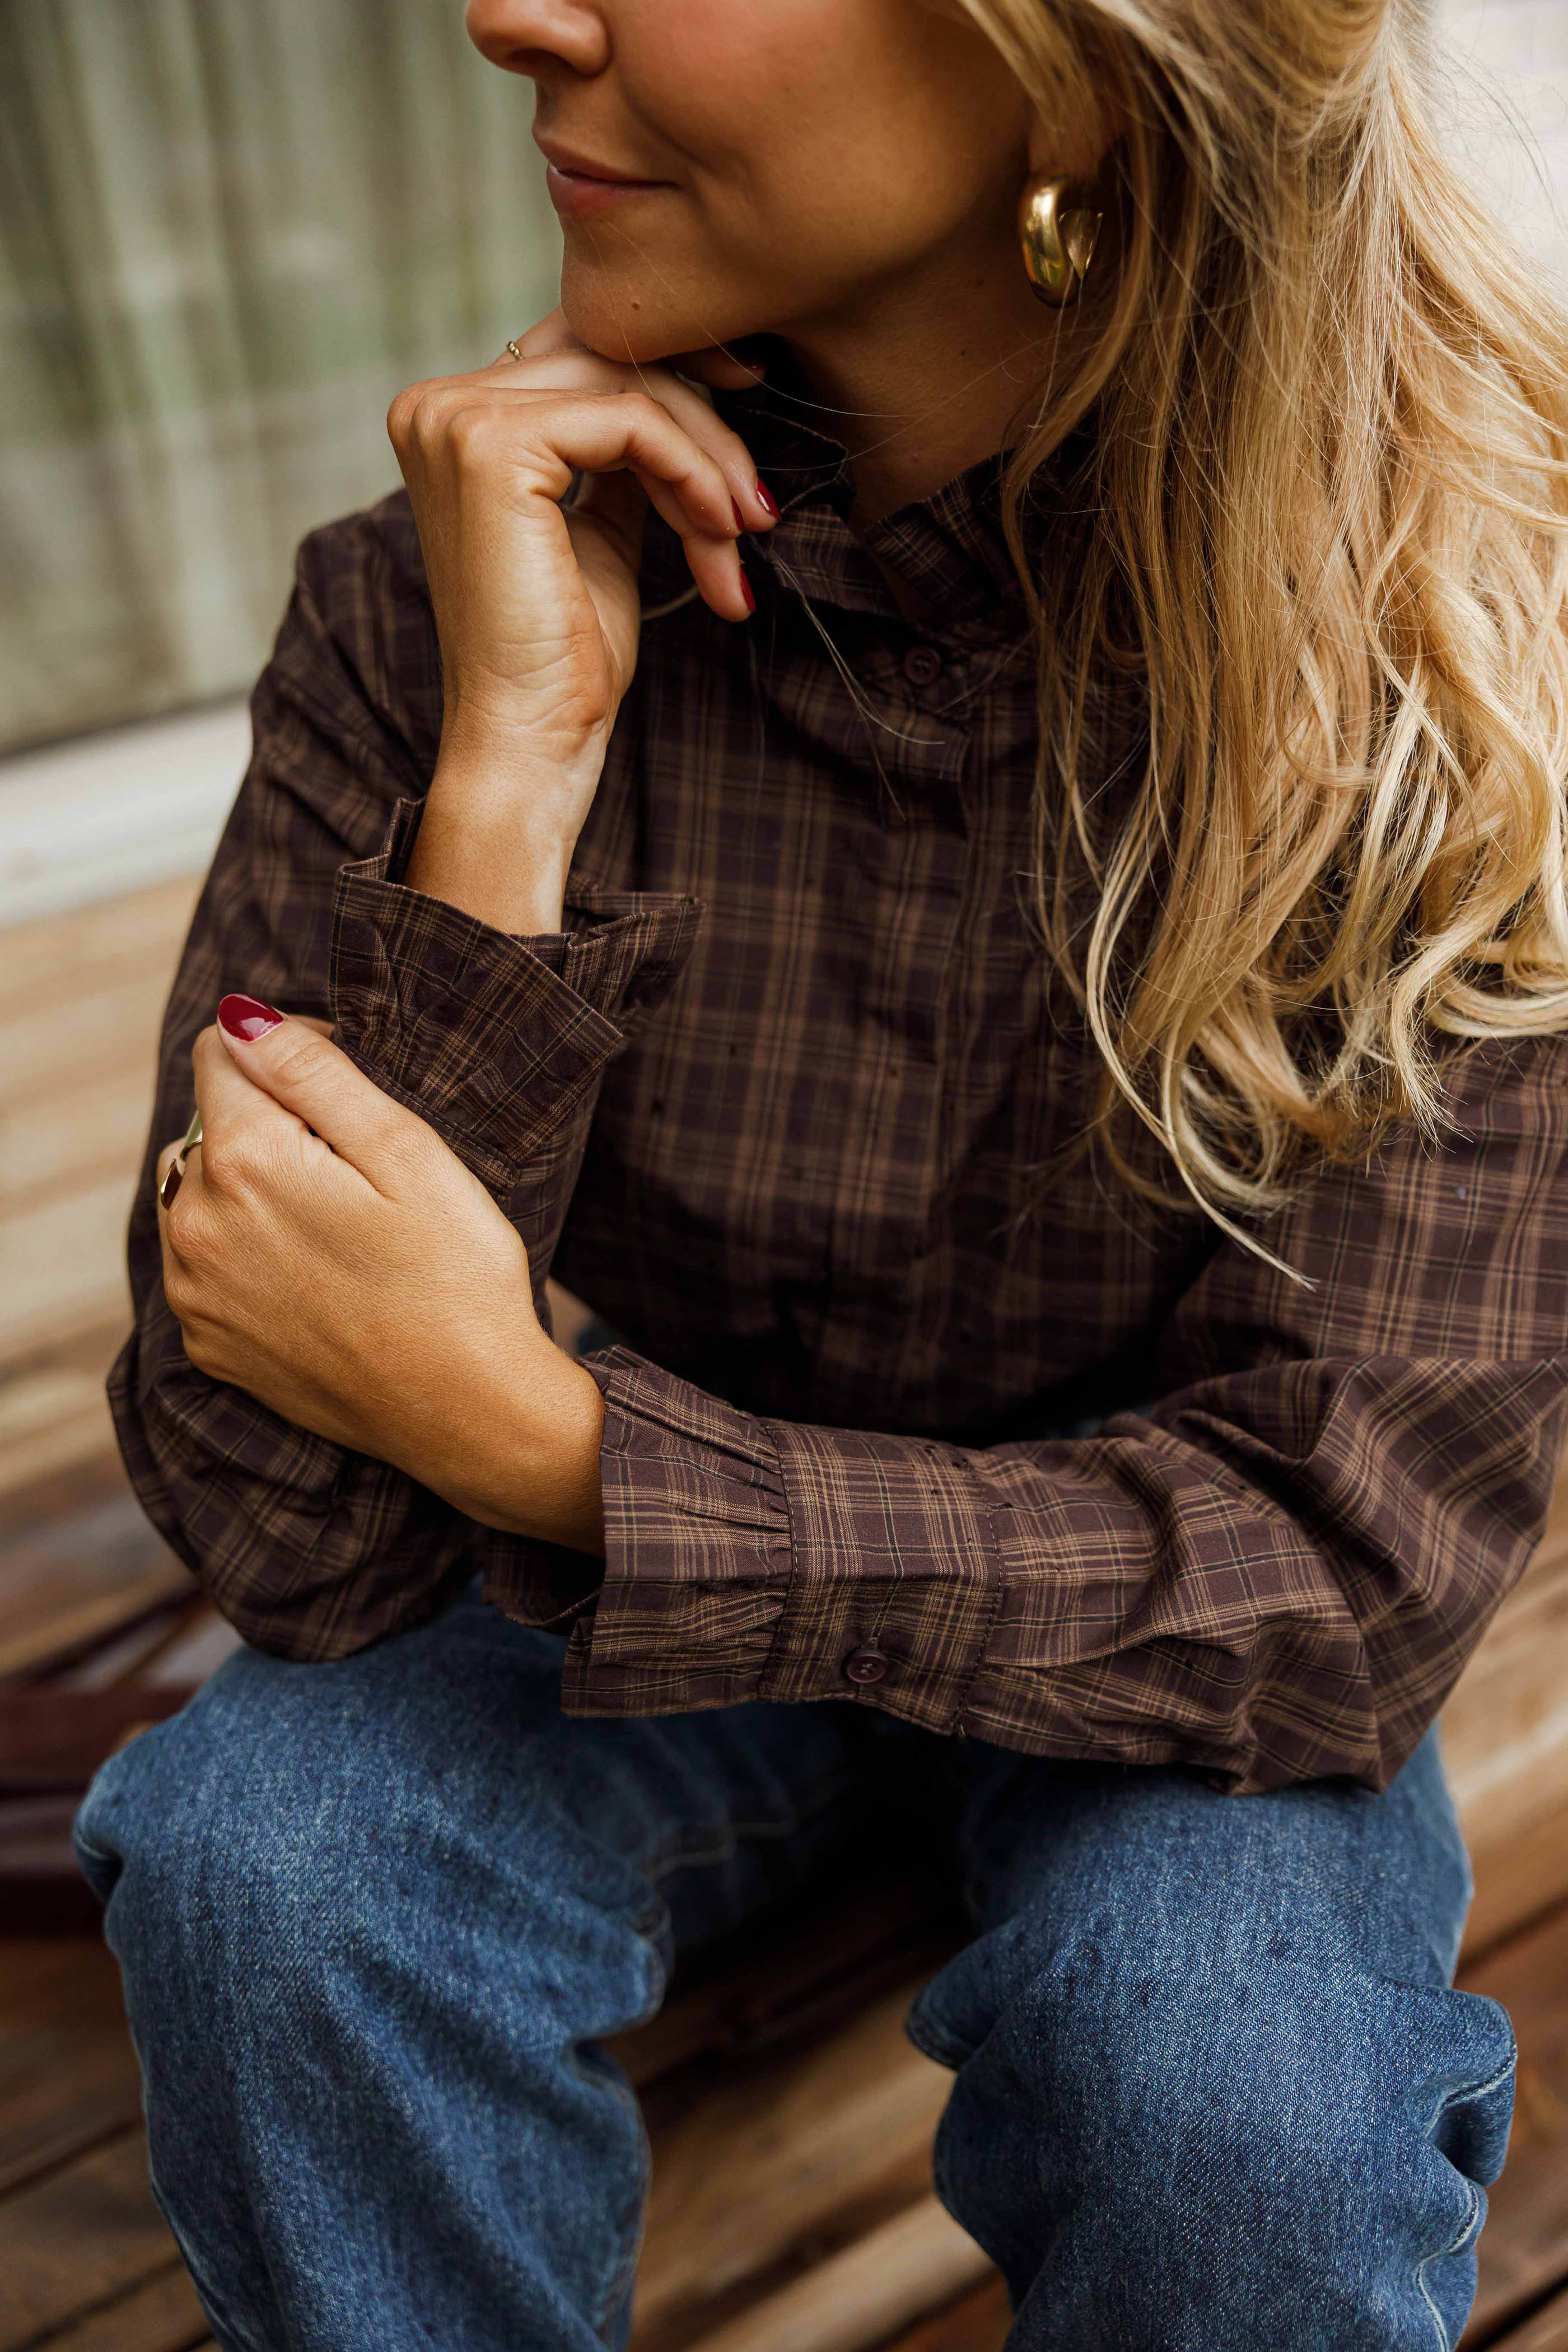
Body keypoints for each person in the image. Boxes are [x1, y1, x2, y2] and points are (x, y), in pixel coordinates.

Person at [72, 0, 1568, 2344]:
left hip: (1167, 1665)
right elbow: (282, 1533)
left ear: (1073, 73)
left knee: (1234, 2074)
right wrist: (504, 788)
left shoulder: (1452, 656)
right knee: (272, 1858)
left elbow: (1331, 1584)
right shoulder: (437, 594)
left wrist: (545, 1447)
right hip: (625, 1652)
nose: (510, 14)